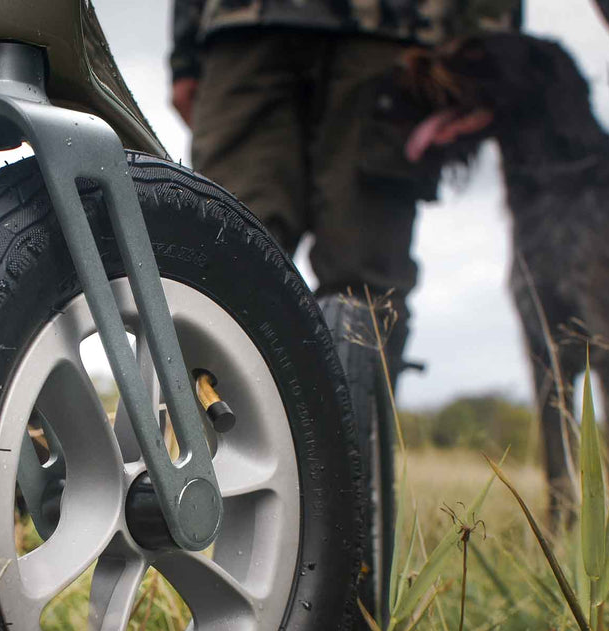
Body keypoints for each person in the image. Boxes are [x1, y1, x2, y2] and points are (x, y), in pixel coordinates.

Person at [170, 0, 519, 372]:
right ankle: (212, 428)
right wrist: (185, 55)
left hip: (390, 35)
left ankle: (358, 429)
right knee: (225, 262)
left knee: (363, 284)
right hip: (243, 32)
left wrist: (488, 49)